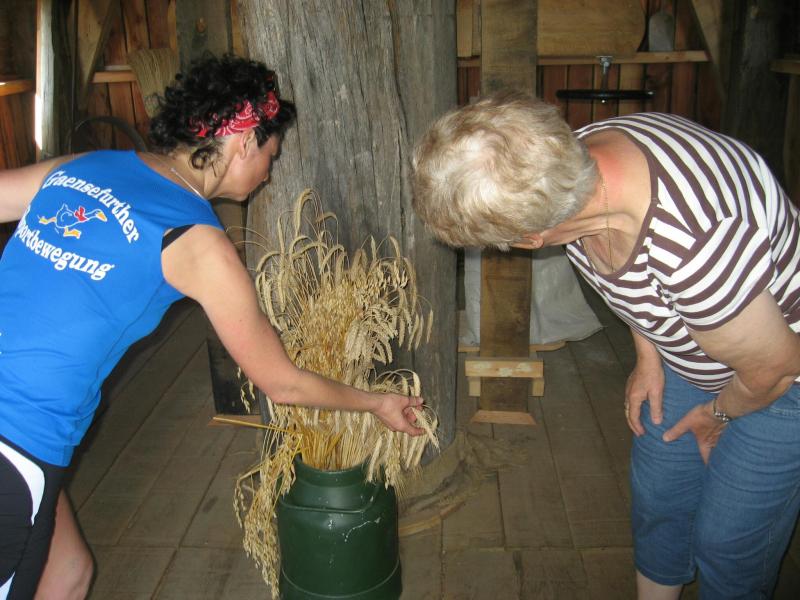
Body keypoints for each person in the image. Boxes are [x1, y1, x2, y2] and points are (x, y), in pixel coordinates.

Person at [0, 53, 423, 599]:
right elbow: (282, 383)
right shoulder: (198, 241)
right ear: (243, 142)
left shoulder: (86, 165)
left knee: (69, 572)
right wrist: (377, 403)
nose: (270, 170)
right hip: (20, 438)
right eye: (271, 153)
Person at [411, 91, 800, 599]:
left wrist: (717, 415)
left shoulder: (693, 245)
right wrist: (648, 357)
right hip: (700, 352)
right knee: (659, 501)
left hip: (780, 384)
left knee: (728, 542)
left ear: (532, 239)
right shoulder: (570, 169)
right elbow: (632, 279)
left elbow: (774, 367)